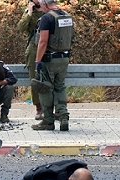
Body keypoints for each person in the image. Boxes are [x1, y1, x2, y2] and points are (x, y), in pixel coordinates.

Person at [31, 0, 74, 131]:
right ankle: (63, 116)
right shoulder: (67, 16)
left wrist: (38, 61)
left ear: (45, 4)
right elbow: (71, 38)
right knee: (60, 87)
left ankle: (48, 121)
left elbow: (43, 41)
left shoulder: (47, 18)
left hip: (49, 59)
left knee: (45, 89)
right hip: (64, 58)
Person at [17, 0, 44, 120]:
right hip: (33, 49)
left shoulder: (48, 11)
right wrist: (29, 12)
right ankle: (39, 108)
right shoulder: (29, 12)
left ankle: (54, 108)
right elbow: (21, 27)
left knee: (51, 78)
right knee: (34, 80)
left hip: (49, 48)